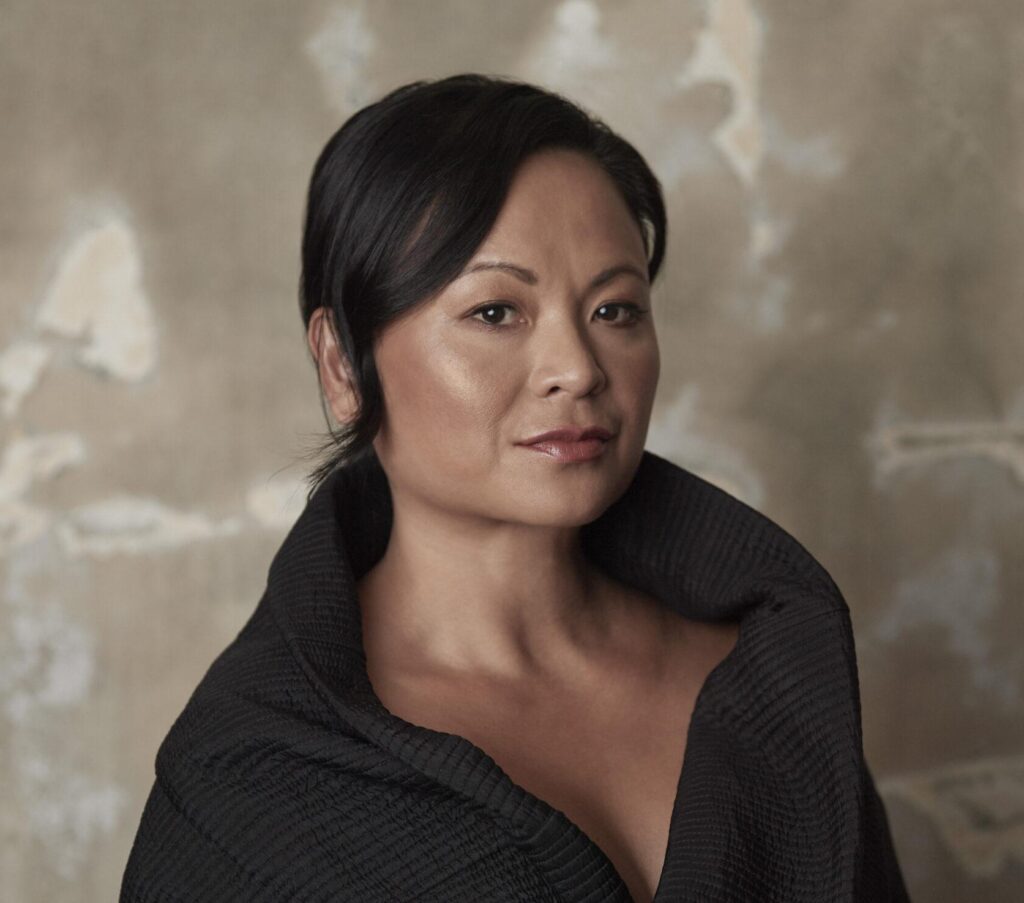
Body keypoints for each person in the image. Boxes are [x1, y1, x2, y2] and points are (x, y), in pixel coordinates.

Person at [120, 73, 910, 902]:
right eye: (496, 312)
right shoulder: (250, 784)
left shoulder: (771, 678)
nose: (578, 368)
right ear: (343, 365)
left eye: (615, 310)